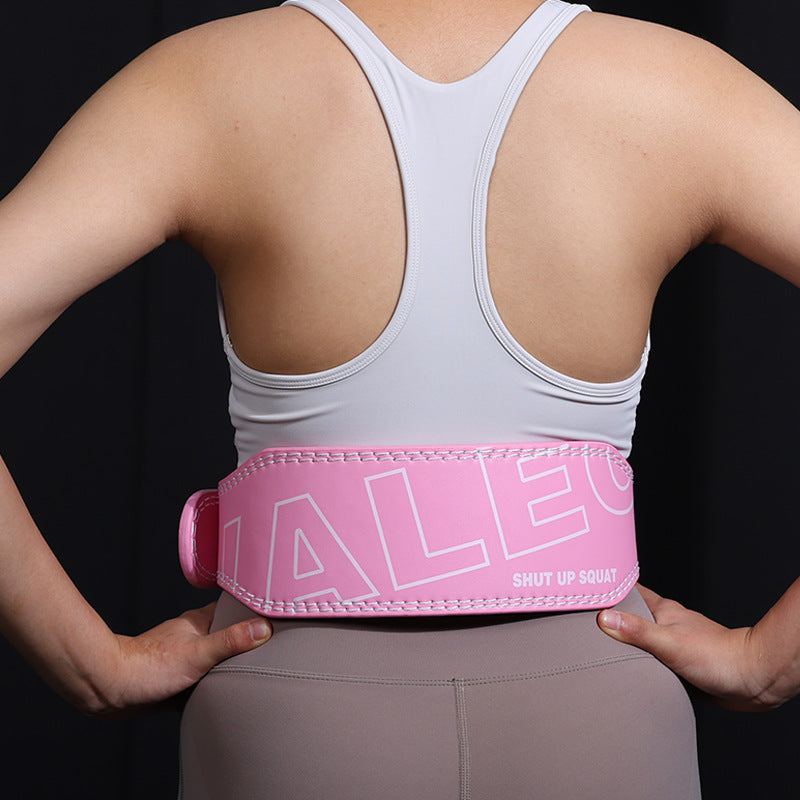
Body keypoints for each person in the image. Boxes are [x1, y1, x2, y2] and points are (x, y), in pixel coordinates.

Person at [2, 0, 800, 796]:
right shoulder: (677, 87)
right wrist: (769, 662)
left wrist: (90, 665)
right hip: (602, 707)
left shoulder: (204, 83)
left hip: (292, 722)